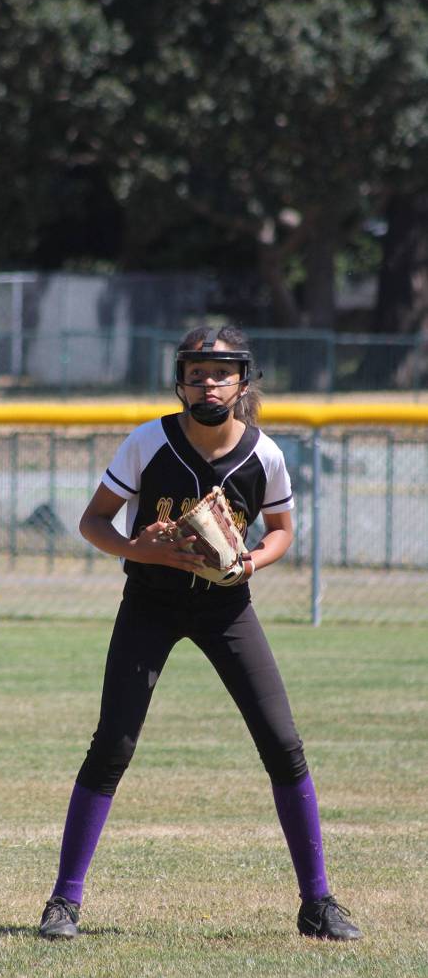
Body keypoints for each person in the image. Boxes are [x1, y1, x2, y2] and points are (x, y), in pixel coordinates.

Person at [39, 323, 361, 943]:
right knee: (113, 746)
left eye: (220, 372)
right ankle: (64, 902)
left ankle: (317, 903)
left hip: (226, 608)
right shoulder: (148, 441)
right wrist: (141, 549)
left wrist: (250, 562)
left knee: (283, 744)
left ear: (243, 381)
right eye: (195, 372)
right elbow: (92, 522)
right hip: (150, 604)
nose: (207, 382)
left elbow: (281, 532)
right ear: (180, 381)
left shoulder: (263, 453)